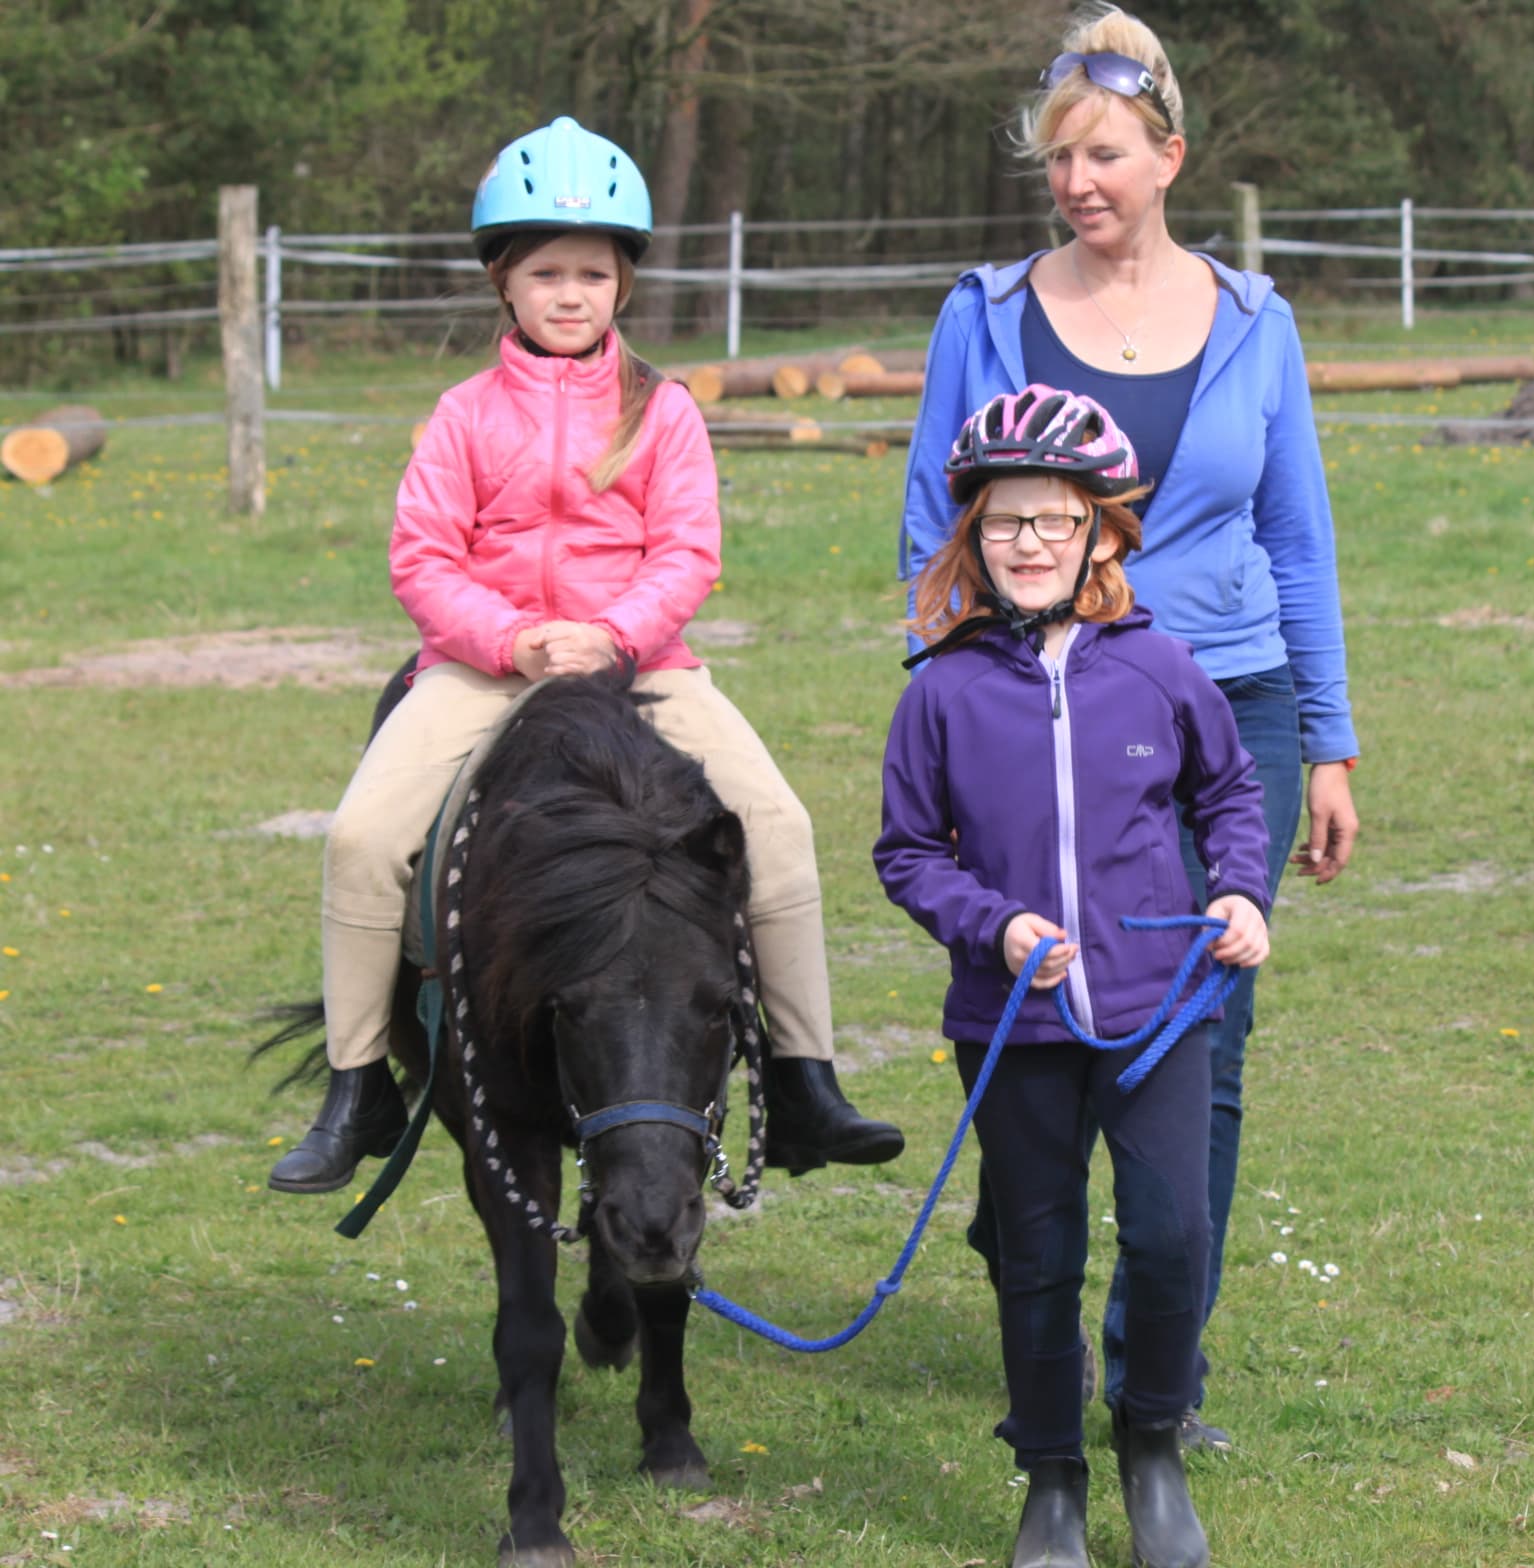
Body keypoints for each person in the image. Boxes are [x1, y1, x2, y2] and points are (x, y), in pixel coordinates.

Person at [269, 116, 901, 1195]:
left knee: (781, 825)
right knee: (363, 837)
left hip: (643, 659)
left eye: (592, 274)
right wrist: (514, 638)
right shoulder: (462, 415)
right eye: (548, 272)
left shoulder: (664, 412)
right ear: (503, 285)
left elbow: (687, 552)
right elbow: (423, 559)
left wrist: (611, 637)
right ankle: (355, 1080)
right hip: (481, 662)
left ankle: (803, 1078)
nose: (571, 294)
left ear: (623, 286)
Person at [898, 4, 1359, 1449]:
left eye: (1104, 154)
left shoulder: (1258, 323)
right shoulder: (982, 318)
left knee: (1201, 1040)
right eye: (1058, 161)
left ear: (1172, 154)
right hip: (1031, 707)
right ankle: (1036, 1315)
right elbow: (935, 523)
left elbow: (1297, 536)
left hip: (1232, 701)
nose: (1078, 182)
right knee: (1034, 1013)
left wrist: (1329, 739)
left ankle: (1161, 1371)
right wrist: (969, 698)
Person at [876, 386, 1269, 1568]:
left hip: (1159, 1012)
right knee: (1036, 1254)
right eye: (1005, 524)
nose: (1031, 543)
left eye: (1053, 520)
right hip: (1014, 1025)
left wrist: (1240, 889)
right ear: (972, 538)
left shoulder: (1160, 667)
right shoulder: (938, 690)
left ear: (1103, 529)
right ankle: (1050, 1473)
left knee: (1170, 1233)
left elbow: (1231, 792)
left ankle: (1152, 1442)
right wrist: (990, 926)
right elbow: (906, 852)